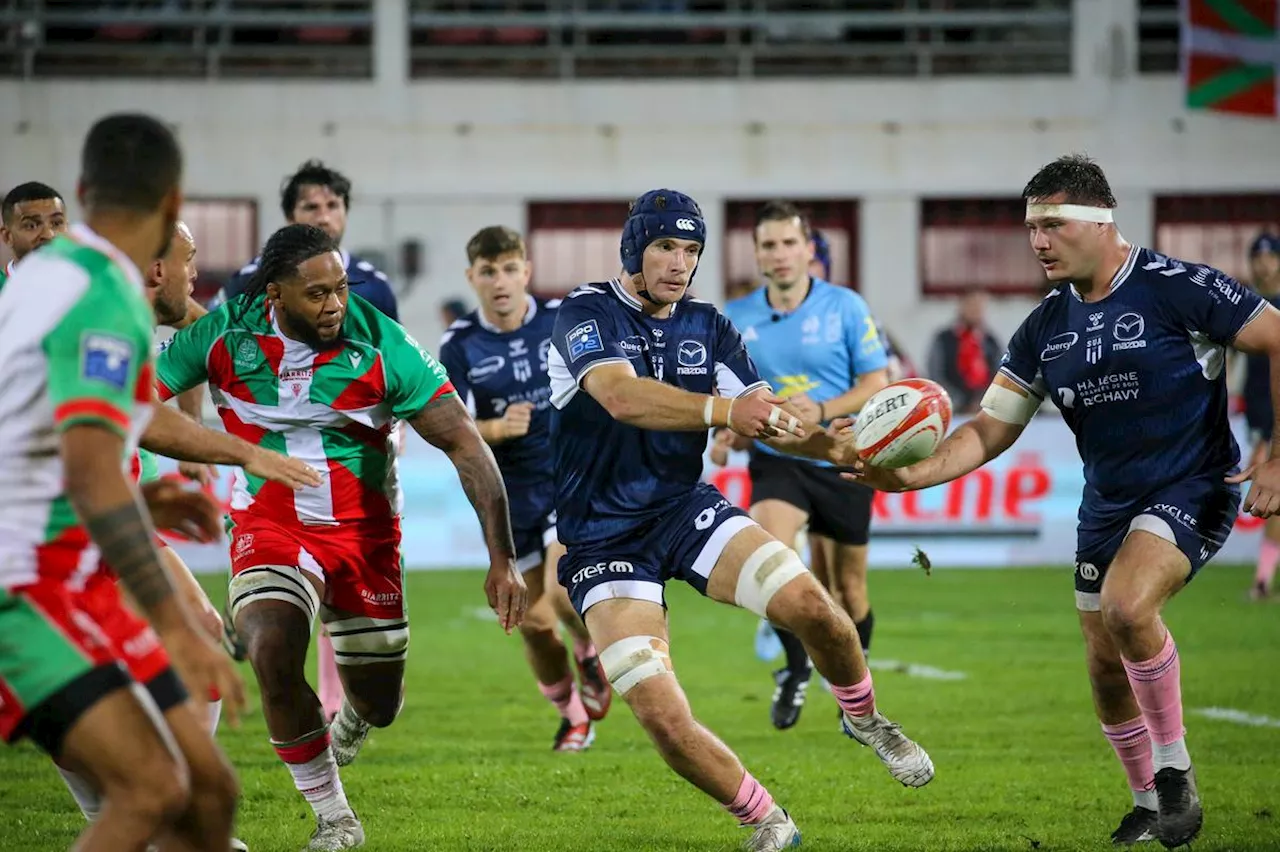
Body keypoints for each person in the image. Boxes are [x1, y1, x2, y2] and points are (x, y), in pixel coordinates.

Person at [841, 154, 1280, 849]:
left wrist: (1278, 455)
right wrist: (908, 476)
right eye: (1031, 227)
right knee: (1105, 664)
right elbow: (988, 430)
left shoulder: (1178, 288)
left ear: (1102, 224)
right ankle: (1144, 803)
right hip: (1106, 506)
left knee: (1128, 608)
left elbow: (1278, 336)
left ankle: (1174, 770)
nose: (1037, 241)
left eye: (1052, 224)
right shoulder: (1045, 328)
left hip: (1191, 485)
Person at [550, 189, 933, 851]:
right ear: (634, 247)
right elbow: (619, 395)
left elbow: (767, 417)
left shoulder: (711, 327)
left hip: (681, 510)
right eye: (666, 246)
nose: (679, 262)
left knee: (816, 606)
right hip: (602, 539)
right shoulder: (585, 312)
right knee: (662, 715)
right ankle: (766, 819)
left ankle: (864, 718)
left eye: (692, 249)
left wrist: (835, 447)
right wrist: (722, 413)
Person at [156, 222, 527, 851]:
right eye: (318, 294)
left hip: (365, 538)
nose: (335, 306)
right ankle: (335, 818)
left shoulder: (382, 344)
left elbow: (464, 444)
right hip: (267, 523)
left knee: (381, 702)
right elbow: (130, 406)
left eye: (341, 289)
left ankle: (354, 716)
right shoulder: (223, 336)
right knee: (273, 648)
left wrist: (502, 559)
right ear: (273, 295)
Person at [0, 112, 247, 852]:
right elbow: (88, 468)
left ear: (80, 194)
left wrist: (142, 493)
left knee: (209, 795)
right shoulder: (103, 299)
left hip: (72, 558)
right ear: (174, 204)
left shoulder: (45, 284)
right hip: (28, 581)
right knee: (151, 791)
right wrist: (171, 623)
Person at [50, 219, 318, 852]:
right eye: (189, 260)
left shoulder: (117, 312)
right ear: (155, 268)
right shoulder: (101, 321)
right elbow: (133, 416)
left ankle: (151, 816)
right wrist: (243, 453)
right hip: (59, 546)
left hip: (106, 528)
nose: (198, 275)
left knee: (192, 647)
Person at [213, 159, 399, 717]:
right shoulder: (244, 285)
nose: (325, 215)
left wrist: (401, 428)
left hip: (353, 465)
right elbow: (220, 354)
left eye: (332, 206)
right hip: (267, 453)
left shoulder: (374, 287)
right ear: (290, 218)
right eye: (311, 208)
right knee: (281, 572)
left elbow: (396, 368)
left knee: (351, 597)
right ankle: (258, 615)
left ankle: (345, 701)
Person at [438, 225, 612, 752]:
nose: (500, 281)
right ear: (472, 278)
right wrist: (495, 430)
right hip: (506, 497)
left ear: (526, 273)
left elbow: (603, 379)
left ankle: (586, 648)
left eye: (510, 269)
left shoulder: (562, 320)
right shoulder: (461, 345)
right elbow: (450, 426)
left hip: (566, 481)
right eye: (488, 272)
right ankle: (573, 716)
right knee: (531, 624)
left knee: (563, 594)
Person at [716, 201, 889, 731]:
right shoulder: (736, 317)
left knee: (848, 591)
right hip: (779, 459)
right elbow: (728, 392)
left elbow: (875, 384)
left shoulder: (845, 306)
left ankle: (852, 700)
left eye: (790, 243)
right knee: (773, 564)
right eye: (769, 245)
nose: (781, 254)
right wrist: (725, 430)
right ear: (757, 255)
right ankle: (794, 670)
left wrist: (822, 409)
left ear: (809, 249)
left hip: (841, 455)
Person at [1244, 231, 1280, 600]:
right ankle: (1263, 581)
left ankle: (1262, 581)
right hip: (1262, 421)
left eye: (1270, 256)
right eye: (1258, 256)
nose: (1263, 262)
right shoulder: (1246, 306)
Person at [926, 289, 1004, 415]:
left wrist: (984, 401)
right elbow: (936, 374)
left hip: (984, 410)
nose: (975, 310)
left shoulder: (990, 341)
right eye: (971, 305)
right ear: (961, 306)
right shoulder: (944, 339)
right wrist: (959, 401)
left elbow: (1000, 374)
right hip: (953, 408)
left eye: (979, 306)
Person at [0, 181, 68, 284]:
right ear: (7, 236)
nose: (49, 235)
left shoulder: (88, 285)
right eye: (31, 226)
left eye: (56, 223)